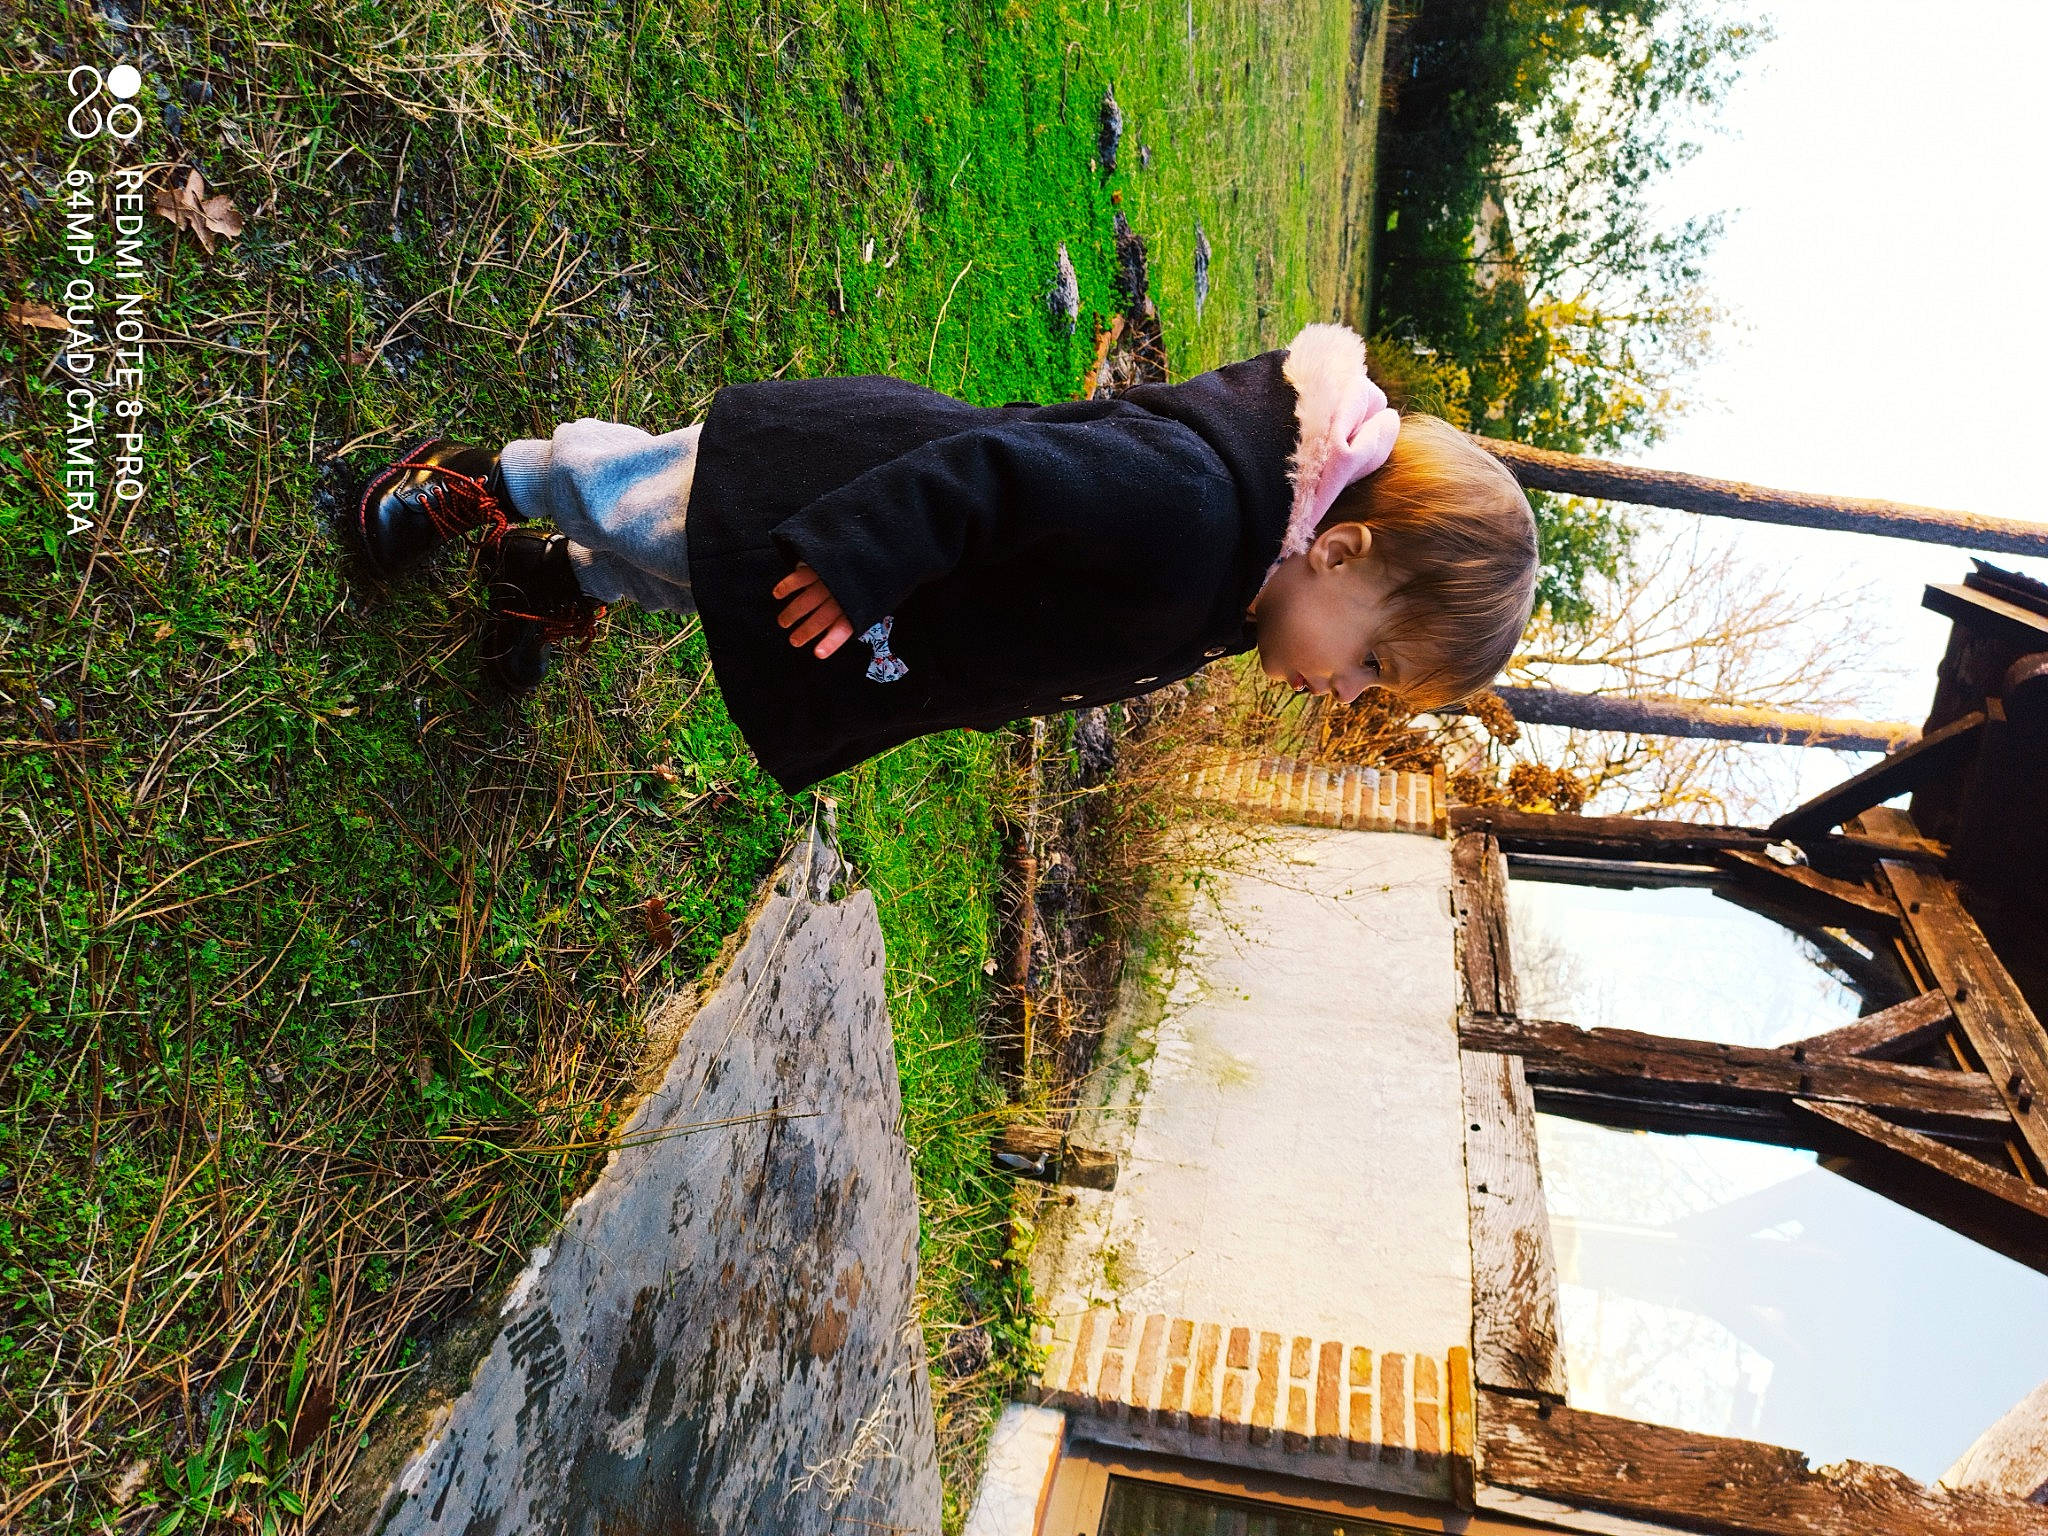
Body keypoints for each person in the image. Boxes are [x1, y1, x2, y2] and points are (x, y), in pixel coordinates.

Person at [352, 322, 1538, 795]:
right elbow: (1001, 475)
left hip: (895, 590)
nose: (1347, 693)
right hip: (846, 495)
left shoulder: (1241, 591)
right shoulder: (1189, 506)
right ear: (1340, 547)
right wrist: (868, 556)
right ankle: (491, 482)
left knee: (696, 580)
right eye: (1373, 662)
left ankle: (552, 577)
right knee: (662, 506)